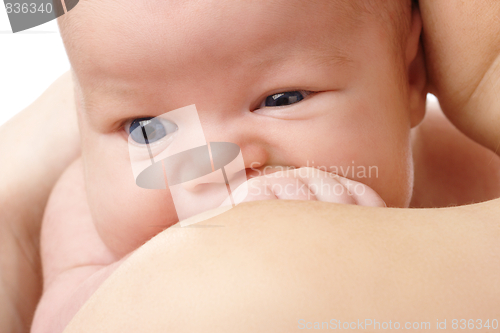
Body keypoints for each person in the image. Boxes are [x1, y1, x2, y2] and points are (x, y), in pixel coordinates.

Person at [0, 1, 498, 333]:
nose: (212, 162)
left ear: (409, 78)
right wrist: (182, 261)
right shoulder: (81, 217)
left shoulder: (465, 171)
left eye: (281, 99)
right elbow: (68, 322)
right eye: (147, 129)